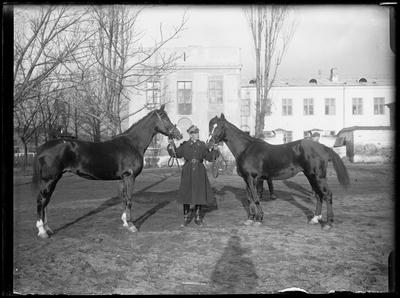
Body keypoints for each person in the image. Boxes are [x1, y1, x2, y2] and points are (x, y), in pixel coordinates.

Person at [167, 124, 220, 227]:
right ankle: (186, 218)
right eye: (195, 133)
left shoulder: (202, 145)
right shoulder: (185, 145)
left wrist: (215, 150)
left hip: (200, 171)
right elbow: (176, 153)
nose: (197, 134)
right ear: (191, 135)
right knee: (186, 193)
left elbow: (209, 157)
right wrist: (171, 145)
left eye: (197, 132)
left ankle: (198, 217)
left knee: (199, 194)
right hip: (187, 171)